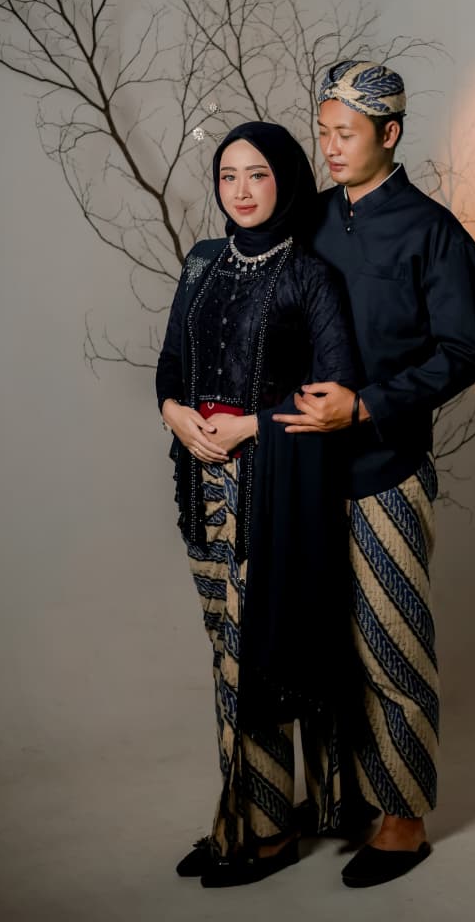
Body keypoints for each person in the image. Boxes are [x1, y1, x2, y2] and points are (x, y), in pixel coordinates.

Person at [274, 60, 475, 888]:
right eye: (322, 133)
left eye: (346, 133)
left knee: (389, 643)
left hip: (384, 469)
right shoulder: (308, 220)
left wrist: (365, 406)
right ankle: (340, 802)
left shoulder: (435, 233)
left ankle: (402, 817)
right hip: (302, 468)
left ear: (390, 133)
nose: (329, 147)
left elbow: (463, 352)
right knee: (319, 645)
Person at [155, 121, 371, 889]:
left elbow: (333, 391)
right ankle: (241, 816)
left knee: (258, 659)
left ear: (286, 179)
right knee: (226, 657)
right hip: (201, 485)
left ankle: (267, 834)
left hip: (271, 491)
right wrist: (174, 415)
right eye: (227, 176)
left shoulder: (310, 275)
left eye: (257, 175)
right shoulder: (201, 263)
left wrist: (250, 426)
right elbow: (171, 363)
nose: (241, 191)